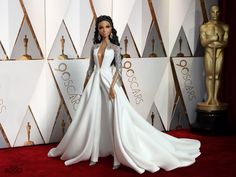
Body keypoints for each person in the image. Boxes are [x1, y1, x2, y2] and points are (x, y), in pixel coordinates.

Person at [48, 15, 201, 174]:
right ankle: (93, 153)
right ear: (98, 30)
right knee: (93, 116)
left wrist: (113, 87)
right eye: (101, 27)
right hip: (94, 83)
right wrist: (85, 85)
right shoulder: (94, 47)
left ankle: (118, 156)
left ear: (111, 28)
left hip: (109, 82)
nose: (104, 30)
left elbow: (119, 71)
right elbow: (90, 69)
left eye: (107, 26)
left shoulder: (115, 48)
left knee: (114, 117)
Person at [200, 5, 229, 106]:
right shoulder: (204, 27)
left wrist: (218, 43)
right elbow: (203, 43)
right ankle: (209, 98)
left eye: (217, 12)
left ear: (220, 13)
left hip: (219, 53)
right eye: (213, 12)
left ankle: (215, 98)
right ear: (210, 12)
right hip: (209, 52)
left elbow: (225, 43)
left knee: (216, 76)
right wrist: (212, 38)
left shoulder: (224, 27)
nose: (215, 14)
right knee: (209, 76)